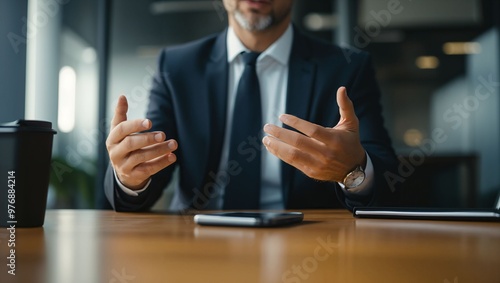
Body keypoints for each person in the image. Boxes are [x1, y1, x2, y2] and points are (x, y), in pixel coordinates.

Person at [104, 0, 398, 212]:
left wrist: (353, 170)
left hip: (307, 242)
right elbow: (155, 166)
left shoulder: (347, 68)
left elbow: (387, 177)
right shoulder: (178, 66)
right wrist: (130, 175)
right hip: (196, 242)